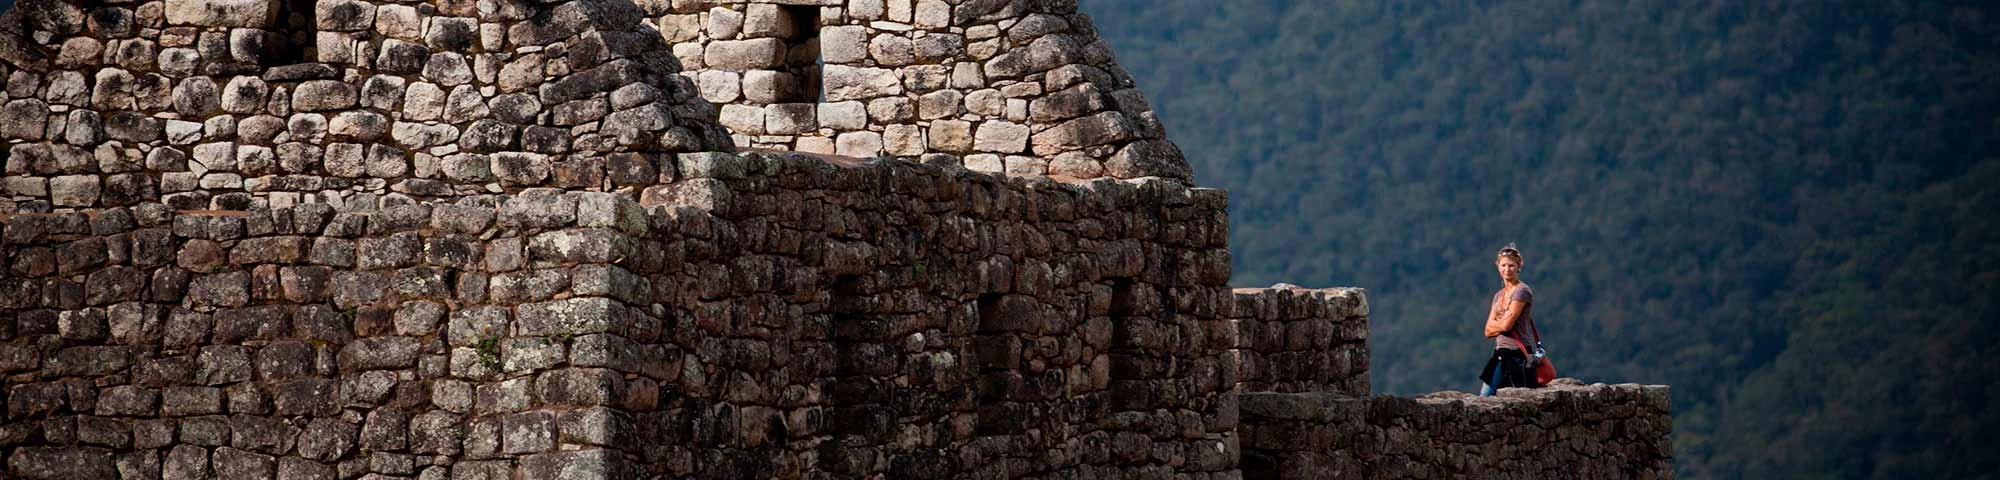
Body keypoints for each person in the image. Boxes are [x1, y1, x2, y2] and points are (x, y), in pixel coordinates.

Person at [1478, 243, 1540, 395]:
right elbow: (1487, 330)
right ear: (1498, 266)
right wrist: (1501, 323)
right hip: (1500, 353)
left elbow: (1506, 326)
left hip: (1517, 355)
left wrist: (1498, 324)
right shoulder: (1498, 295)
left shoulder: (1522, 291)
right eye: (1503, 265)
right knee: (1487, 397)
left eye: (1511, 265)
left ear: (1519, 266)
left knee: (1487, 397)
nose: (1507, 269)